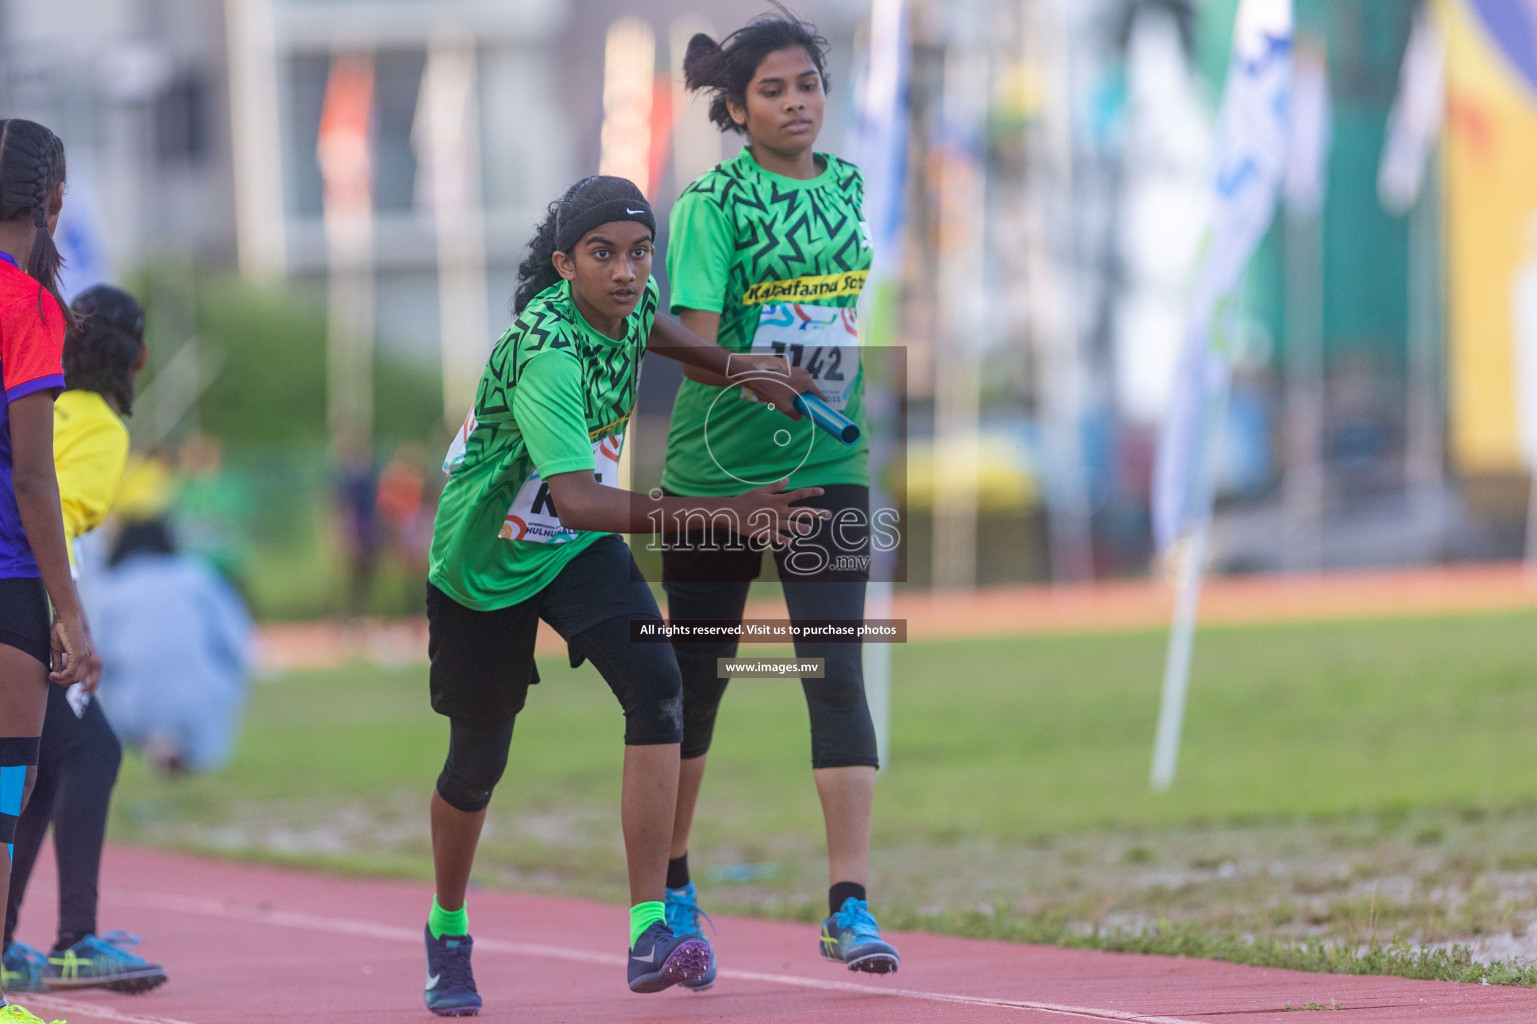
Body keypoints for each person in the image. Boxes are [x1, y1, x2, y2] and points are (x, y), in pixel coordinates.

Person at [421, 173, 825, 1016]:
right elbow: (580, 499)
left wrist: (749, 371)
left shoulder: (632, 308)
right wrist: (730, 517)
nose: (626, 272)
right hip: (483, 565)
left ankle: (650, 926)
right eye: (603, 255)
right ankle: (448, 927)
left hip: (573, 551)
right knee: (477, 764)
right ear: (566, 263)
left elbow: (675, 341)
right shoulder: (547, 351)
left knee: (658, 685)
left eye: (639, 254)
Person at [658, 14, 900, 986]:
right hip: (718, 472)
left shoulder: (846, 185)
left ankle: (850, 902)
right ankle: (671, 885)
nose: (797, 102)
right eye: (774, 90)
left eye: (808, 84)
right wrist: (746, 369)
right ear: (735, 106)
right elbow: (682, 333)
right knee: (697, 684)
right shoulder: (711, 203)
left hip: (831, 467)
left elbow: (838, 315)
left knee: (834, 671)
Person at [3, 285, 168, 996]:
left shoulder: (45, 403)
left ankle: (8, 945)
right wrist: (69, 621)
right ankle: (74, 941)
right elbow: (53, 517)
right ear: (137, 358)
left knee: (36, 768)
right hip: (25, 598)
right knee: (90, 749)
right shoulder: (99, 425)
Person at [0, 117, 102, 1024]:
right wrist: (68, 609)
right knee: (0, 795)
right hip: (6, 586)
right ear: (54, 201)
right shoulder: (28, 308)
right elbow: (34, 474)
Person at [88, 519, 253, 776]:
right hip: (203, 697)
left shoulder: (112, 586)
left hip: (135, 707)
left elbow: (98, 652)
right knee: (206, 735)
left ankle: (160, 741)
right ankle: (180, 748)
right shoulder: (197, 575)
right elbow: (237, 639)